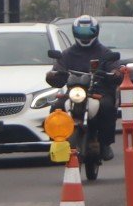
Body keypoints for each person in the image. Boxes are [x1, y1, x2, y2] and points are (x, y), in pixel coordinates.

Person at [48, 14, 123, 160]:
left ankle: (105, 143)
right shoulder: (67, 54)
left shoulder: (105, 53)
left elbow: (115, 69)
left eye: (88, 32)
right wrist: (53, 75)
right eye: (81, 32)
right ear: (75, 32)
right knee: (56, 108)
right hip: (73, 92)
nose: (85, 36)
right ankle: (57, 143)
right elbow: (58, 70)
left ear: (96, 32)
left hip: (98, 91)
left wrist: (114, 74)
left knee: (107, 107)